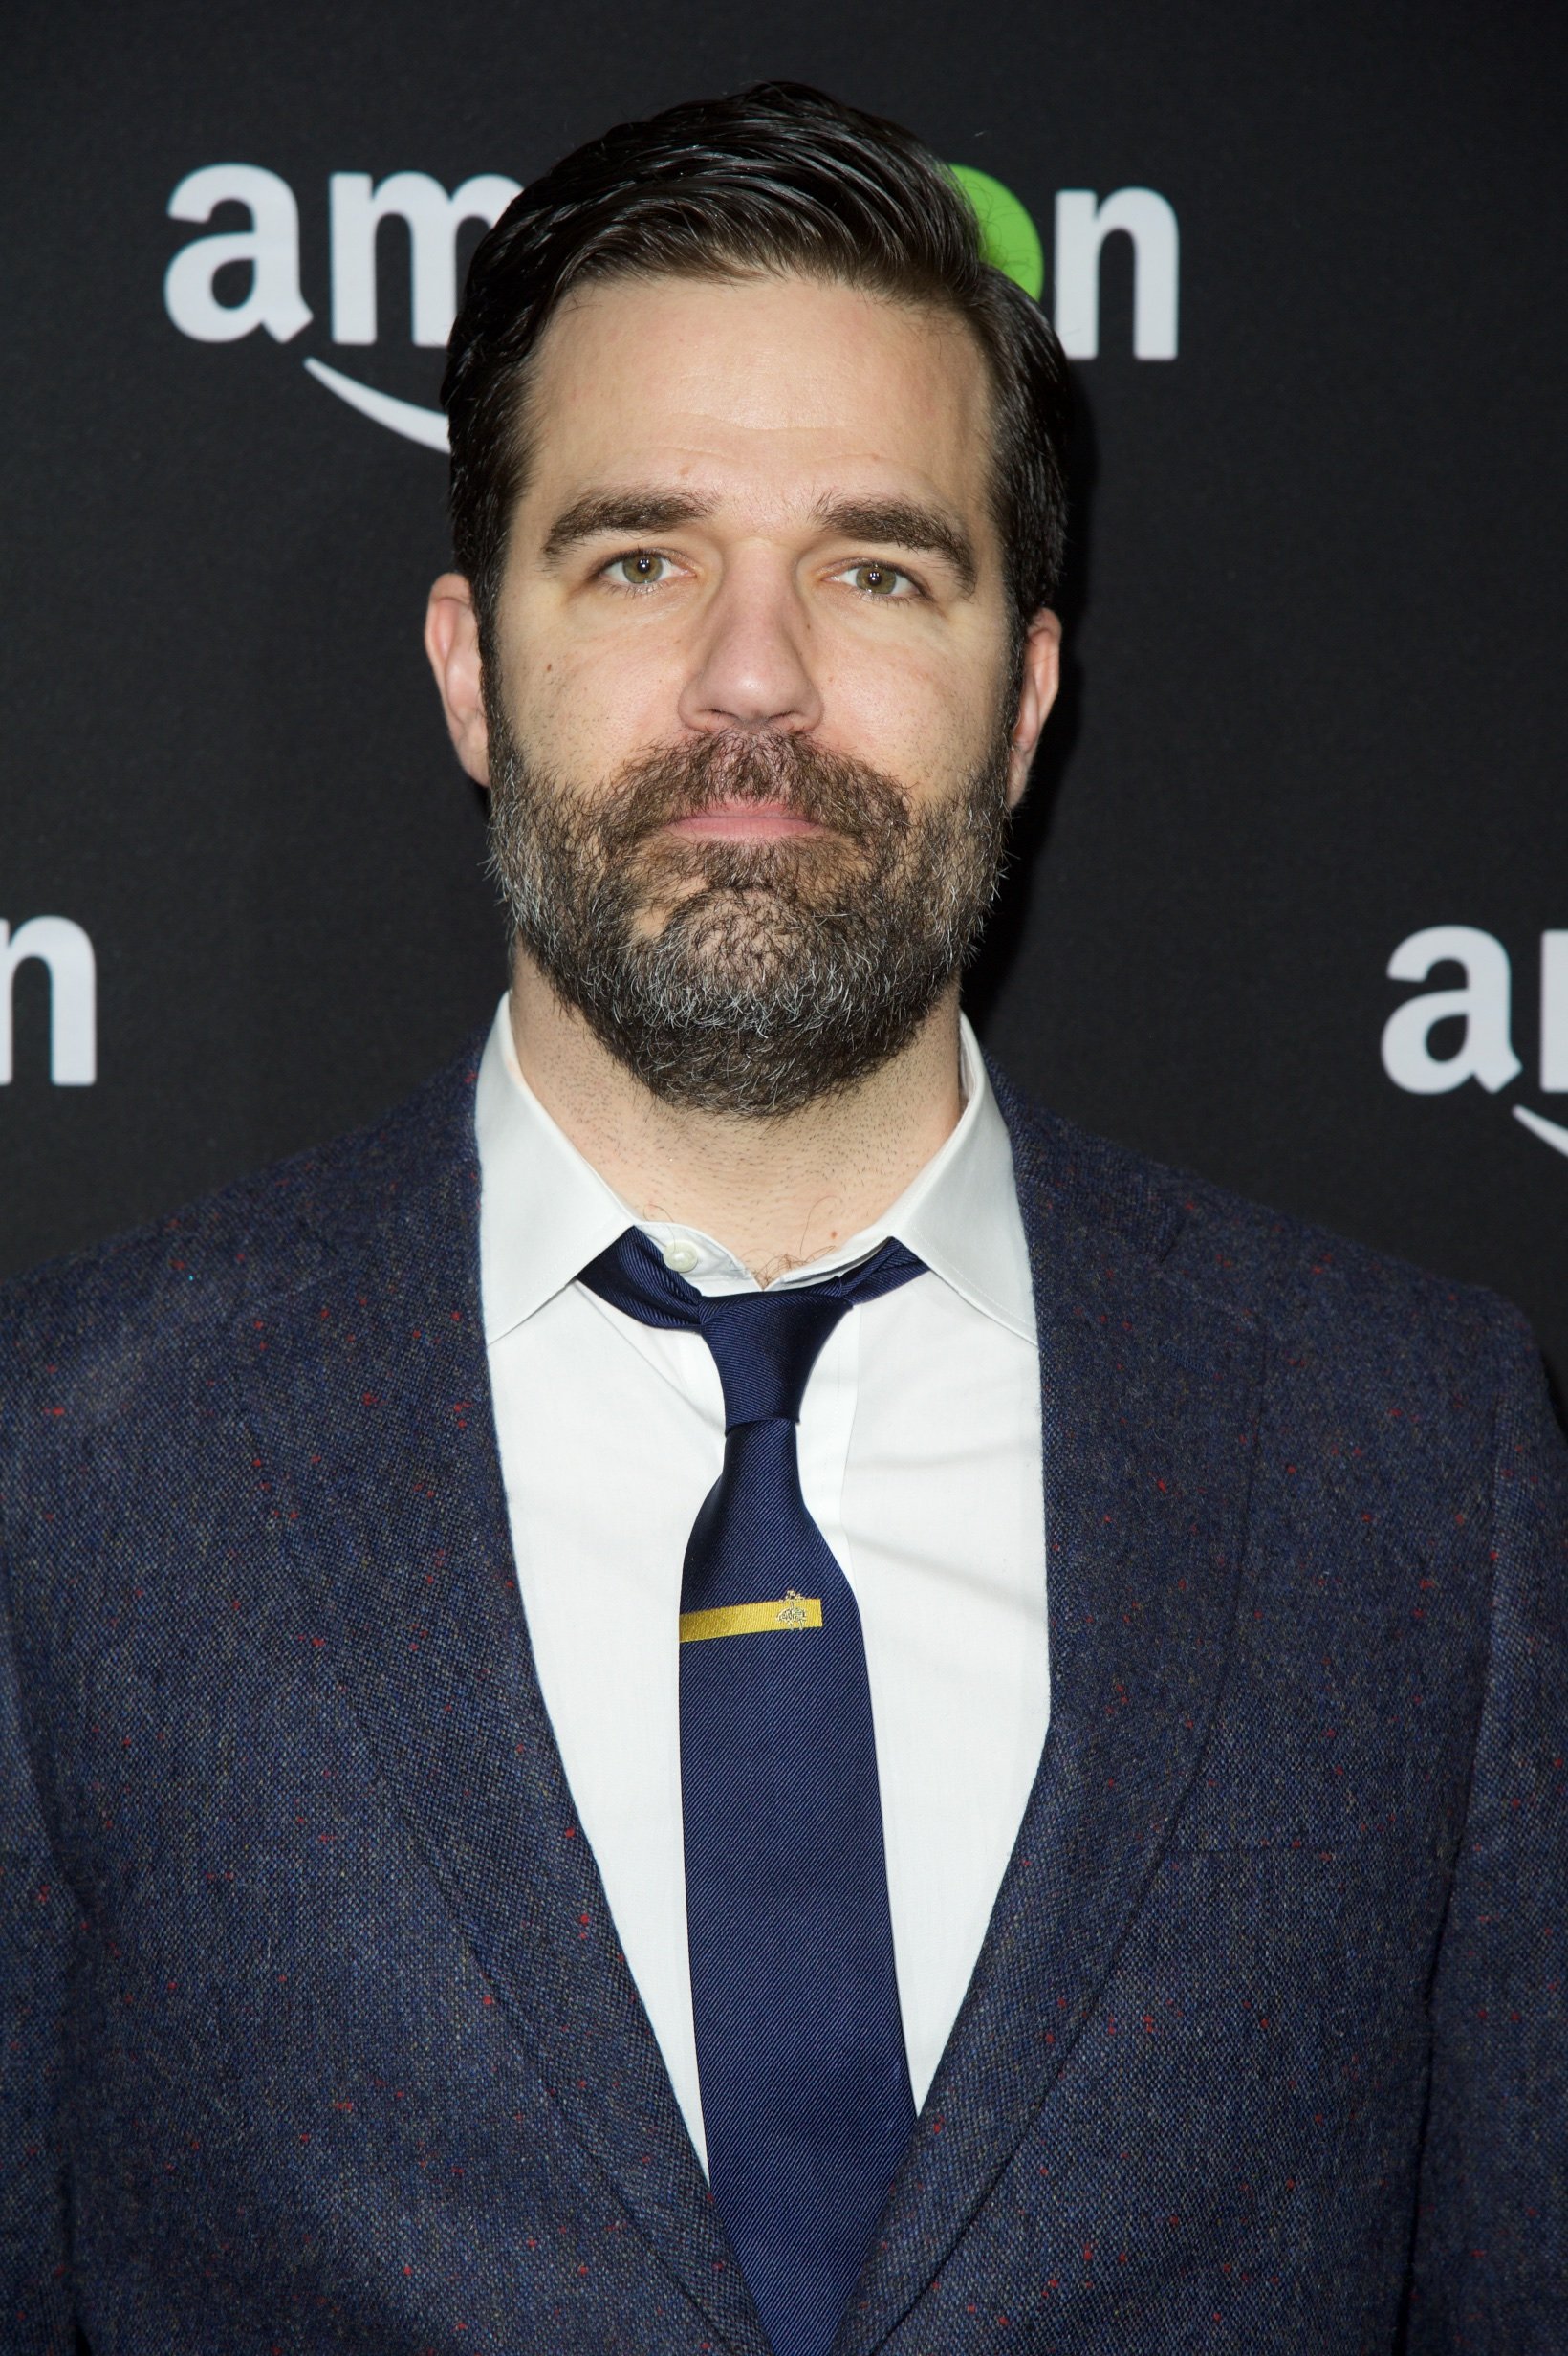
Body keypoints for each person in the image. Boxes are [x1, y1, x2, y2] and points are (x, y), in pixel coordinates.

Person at [0, 80, 1562, 2356]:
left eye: (876, 565)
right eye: (639, 556)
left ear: (1022, 700)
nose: (755, 680)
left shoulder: (1420, 1458)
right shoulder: (69, 1461)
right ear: (468, 664)